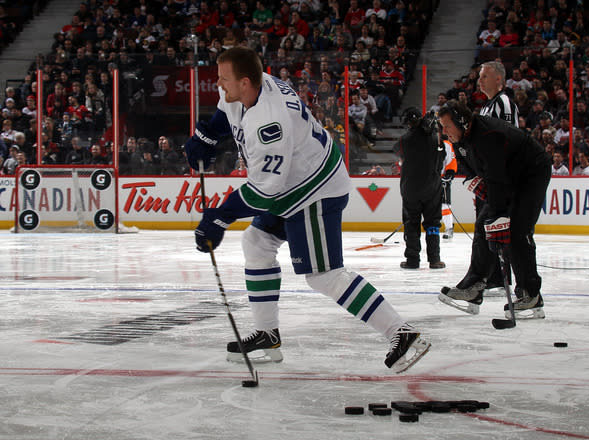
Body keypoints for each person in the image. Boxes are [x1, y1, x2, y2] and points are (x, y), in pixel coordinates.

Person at [184, 47, 430, 373]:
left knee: (323, 275)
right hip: (291, 183)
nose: (218, 83)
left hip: (315, 189)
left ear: (244, 82)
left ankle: (402, 334)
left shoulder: (270, 123)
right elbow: (226, 113)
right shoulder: (251, 85)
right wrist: (208, 135)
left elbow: (264, 190)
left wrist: (220, 216)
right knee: (256, 244)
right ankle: (267, 334)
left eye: (224, 78)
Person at [437, 100, 550, 319]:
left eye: (447, 125)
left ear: (462, 122)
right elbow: (471, 168)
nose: (444, 131)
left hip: (530, 174)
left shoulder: (489, 136)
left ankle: (531, 293)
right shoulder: (461, 138)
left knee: (517, 230)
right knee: (483, 224)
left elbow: (498, 179)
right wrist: (476, 183)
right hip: (506, 177)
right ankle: (474, 286)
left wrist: (499, 214)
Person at [443, 60, 519, 299]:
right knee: (487, 228)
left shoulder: (503, 103)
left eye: (485, 76)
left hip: (500, 180)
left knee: (490, 227)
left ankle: (483, 280)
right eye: (479, 77)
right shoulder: (487, 106)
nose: (480, 80)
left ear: (499, 78)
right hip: (489, 178)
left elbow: (504, 142)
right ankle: (493, 276)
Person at [396, 107, 446, 270]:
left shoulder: (405, 140)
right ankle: (434, 259)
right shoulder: (436, 138)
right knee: (433, 224)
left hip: (411, 187)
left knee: (411, 224)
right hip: (432, 186)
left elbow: (399, 154)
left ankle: (412, 260)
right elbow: (442, 157)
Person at [440, 139, 457, 239]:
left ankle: (449, 228)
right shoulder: (425, 142)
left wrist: (450, 173)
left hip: (442, 179)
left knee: (444, 205)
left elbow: (451, 160)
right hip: (429, 179)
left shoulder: (447, 145)